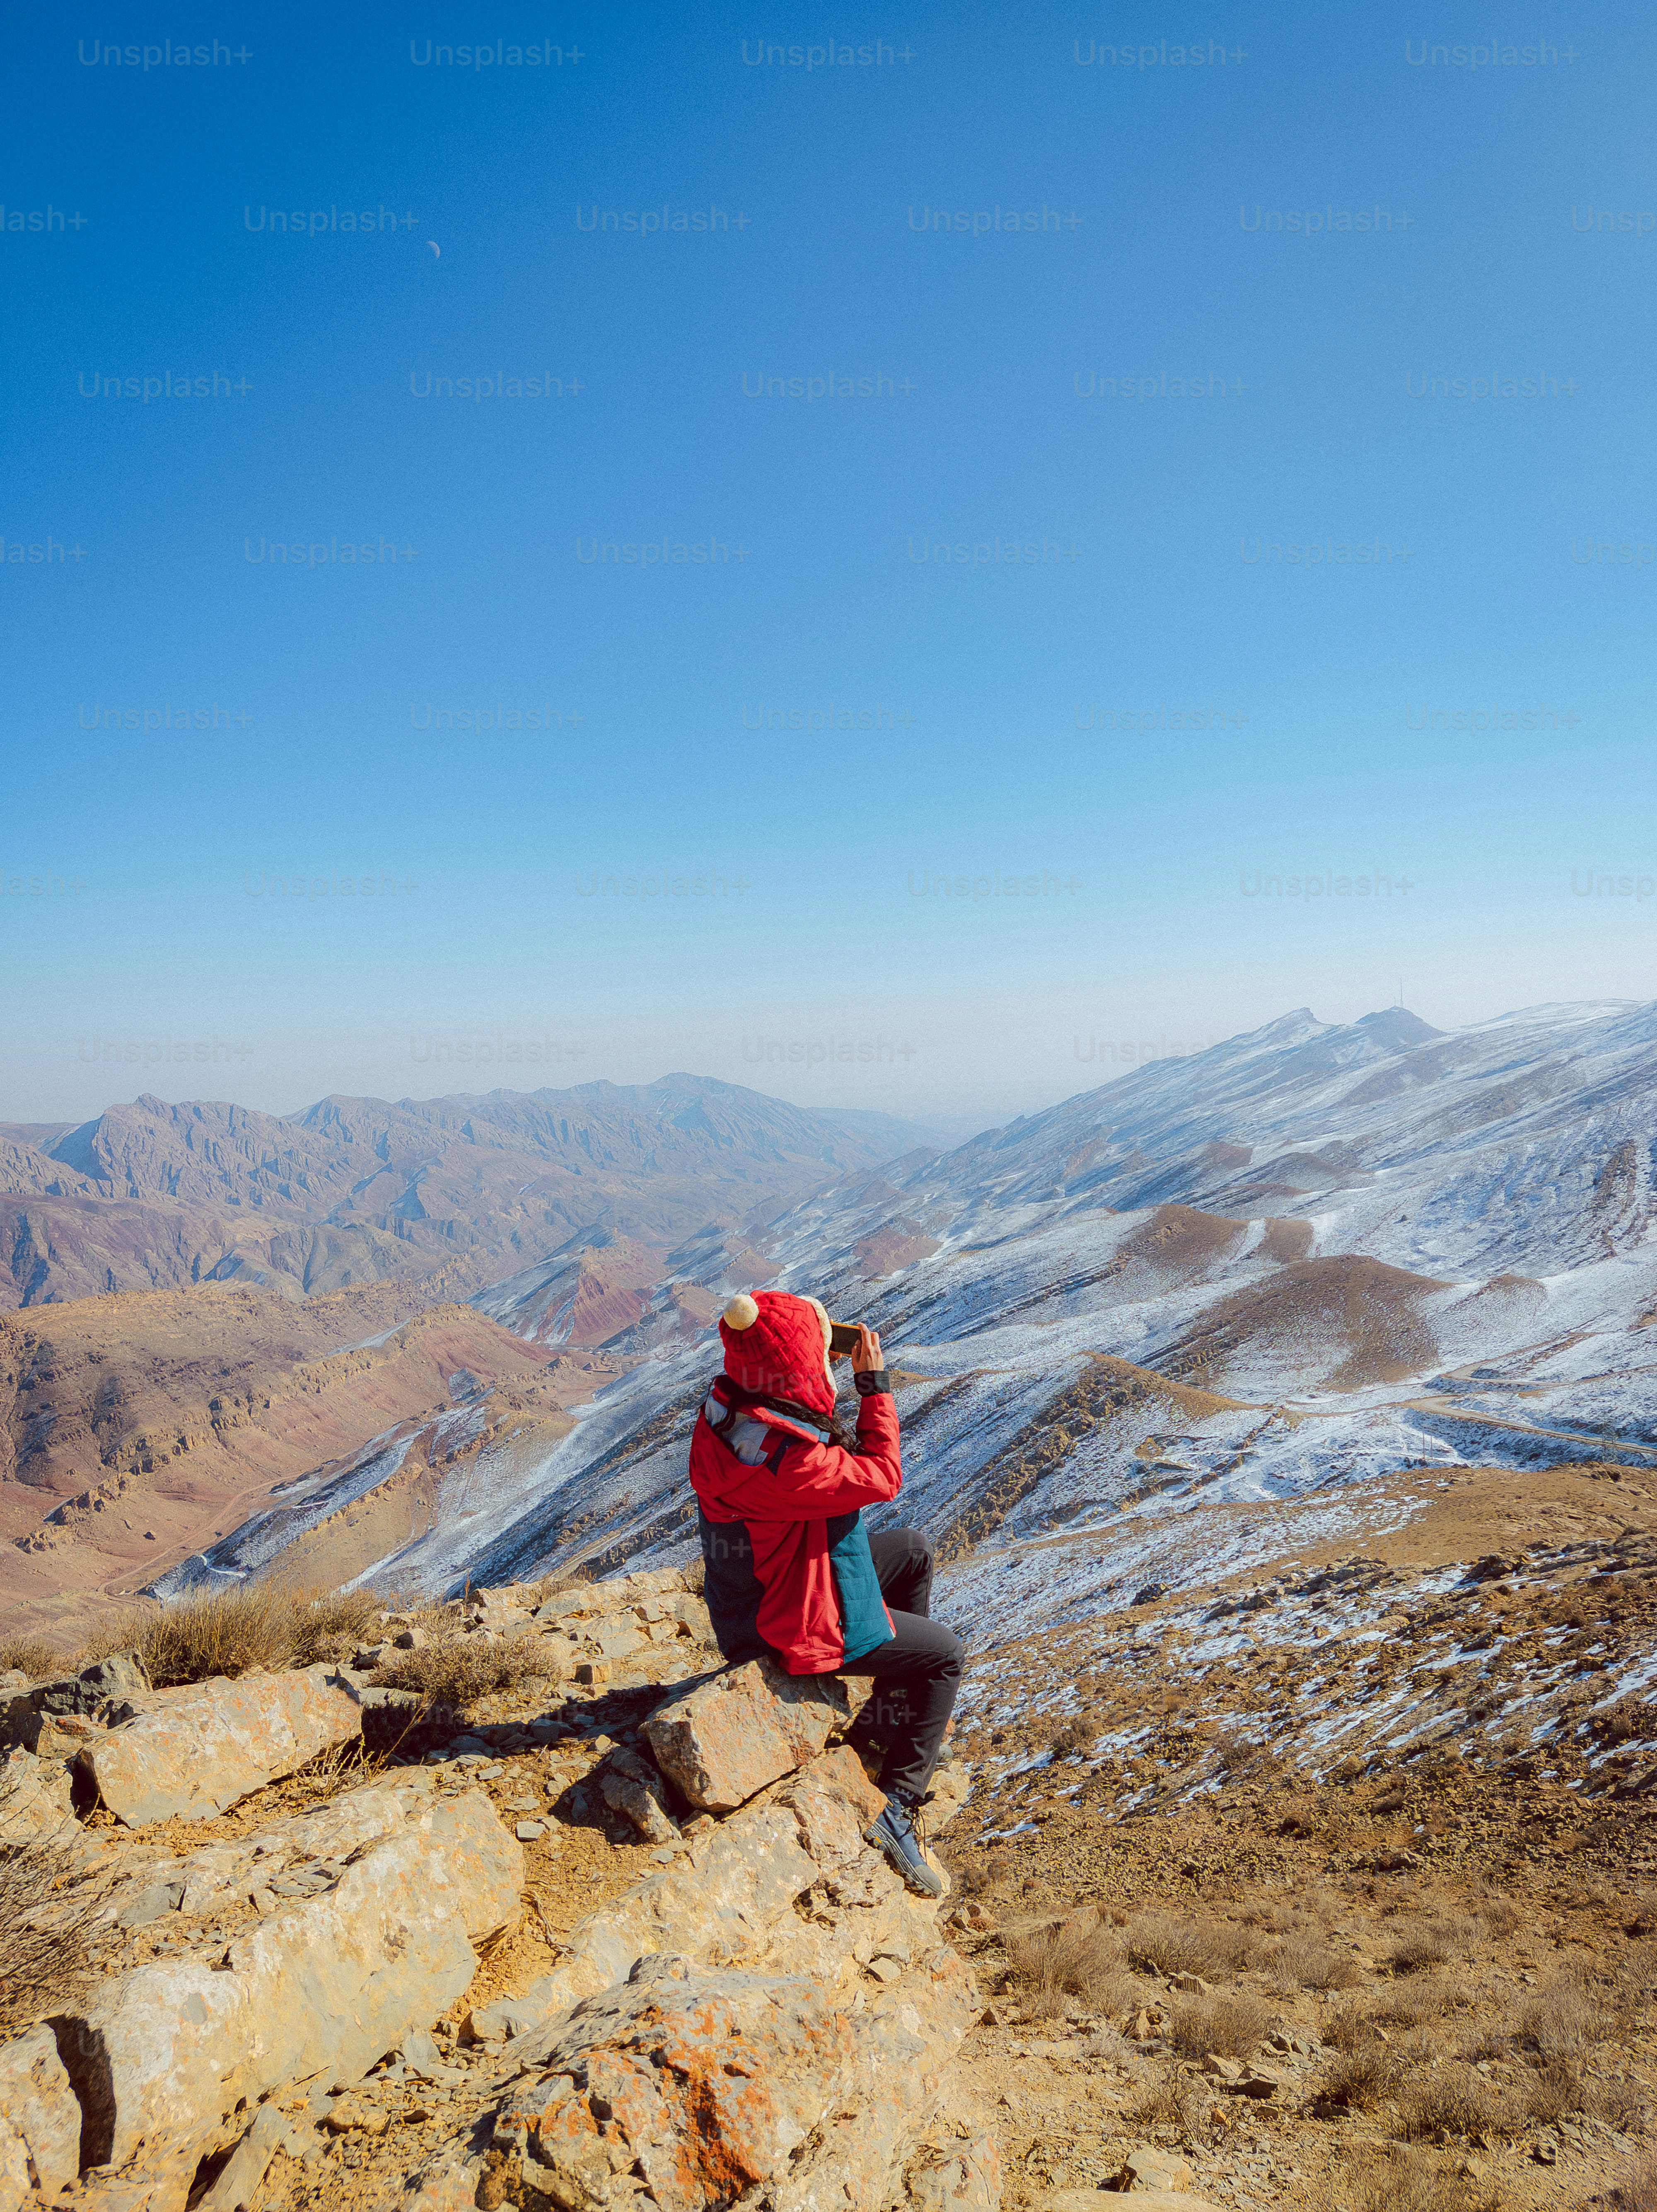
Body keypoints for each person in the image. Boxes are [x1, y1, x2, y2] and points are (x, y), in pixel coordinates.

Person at [689, 1288, 964, 1897]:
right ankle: (896, 1806)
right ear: (794, 1367)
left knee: (913, 1551)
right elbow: (883, 1476)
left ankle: (883, 1723)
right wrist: (874, 1389)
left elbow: (800, 1442)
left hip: (775, 1579)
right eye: (817, 1350)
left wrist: (804, 1381)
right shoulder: (790, 1463)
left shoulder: (728, 1411)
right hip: (789, 1617)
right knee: (945, 1656)